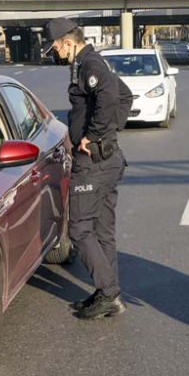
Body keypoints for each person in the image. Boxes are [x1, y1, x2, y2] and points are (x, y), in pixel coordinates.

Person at [45, 17, 132, 320]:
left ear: (67, 42)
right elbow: (124, 95)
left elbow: (111, 96)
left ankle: (108, 294)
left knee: (80, 230)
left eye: (54, 48)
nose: (54, 54)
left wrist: (94, 137)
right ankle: (107, 291)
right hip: (107, 159)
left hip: (94, 162)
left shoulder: (90, 64)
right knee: (101, 230)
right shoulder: (87, 64)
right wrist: (108, 137)